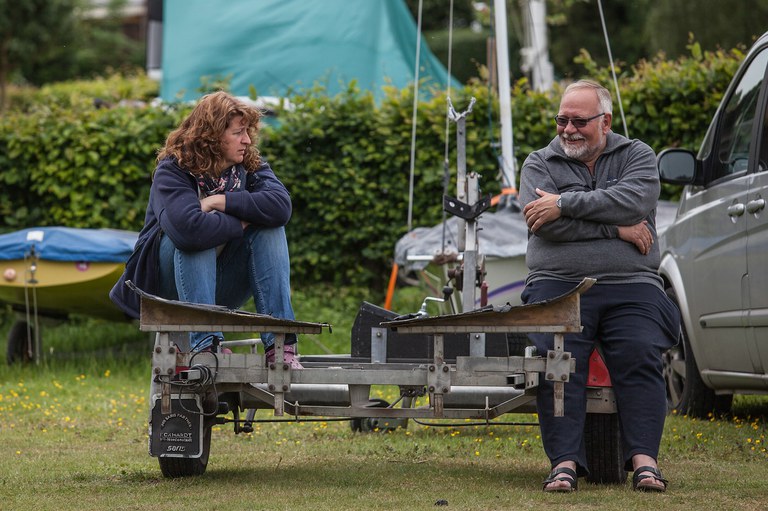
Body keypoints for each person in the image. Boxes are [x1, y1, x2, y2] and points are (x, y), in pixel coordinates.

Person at [518, 80, 680, 492]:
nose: (568, 129)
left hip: (632, 284)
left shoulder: (637, 155)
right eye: (561, 119)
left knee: (641, 349)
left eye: (579, 121)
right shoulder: (539, 163)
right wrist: (616, 228)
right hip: (557, 284)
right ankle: (565, 465)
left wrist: (563, 204)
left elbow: (634, 202)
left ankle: (645, 462)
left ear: (604, 122)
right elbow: (545, 229)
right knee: (557, 358)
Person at [110, 91, 302, 368]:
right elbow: (190, 230)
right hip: (168, 292)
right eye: (238, 133)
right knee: (195, 241)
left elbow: (281, 208)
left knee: (270, 229)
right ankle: (205, 347)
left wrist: (218, 201)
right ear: (211, 136)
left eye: (247, 132)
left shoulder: (248, 166)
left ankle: (281, 346)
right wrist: (243, 220)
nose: (247, 140)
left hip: (218, 284)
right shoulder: (173, 170)